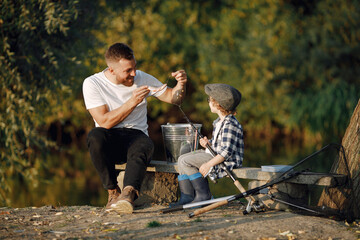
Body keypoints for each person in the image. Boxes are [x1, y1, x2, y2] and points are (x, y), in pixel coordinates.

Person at [82, 43, 187, 214]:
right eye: (127, 71)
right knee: (95, 136)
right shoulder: (92, 83)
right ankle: (112, 192)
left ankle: (128, 195)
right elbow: (104, 121)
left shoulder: (142, 77)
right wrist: (132, 103)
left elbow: (173, 98)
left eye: (135, 68)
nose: (133, 74)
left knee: (143, 144)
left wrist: (181, 85)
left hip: (136, 137)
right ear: (111, 70)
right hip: (110, 138)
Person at [170, 83, 244, 207]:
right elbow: (220, 145)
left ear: (218, 105)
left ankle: (204, 195)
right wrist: (208, 144)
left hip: (225, 161)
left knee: (185, 162)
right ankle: (187, 197)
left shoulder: (230, 124)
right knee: (181, 158)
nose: (208, 102)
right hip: (215, 155)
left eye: (209, 100)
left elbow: (226, 152)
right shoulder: (219, 122)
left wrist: (208, 164)